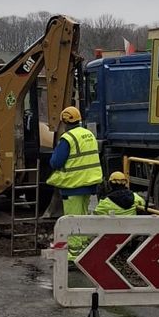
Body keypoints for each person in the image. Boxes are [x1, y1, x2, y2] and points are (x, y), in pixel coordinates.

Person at [48, 106, 104, 259]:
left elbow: (56, 162)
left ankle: (74, 254)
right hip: (89, 183)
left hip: (73, 185)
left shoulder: (68, 138)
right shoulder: (89, 135)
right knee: (83, 217)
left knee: (72, 219)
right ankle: (84, 249)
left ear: (65, 122)